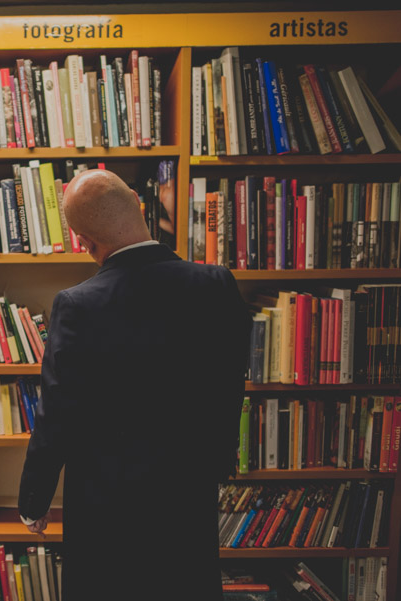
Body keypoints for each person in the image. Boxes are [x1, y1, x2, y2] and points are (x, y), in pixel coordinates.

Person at [18, 170, 250, 600]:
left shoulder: (76, 305)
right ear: (140, 208)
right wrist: (216, 461)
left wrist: (35, 498)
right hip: (187, 492)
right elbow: (230, 382)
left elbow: (56, 414)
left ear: (86, 242)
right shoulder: (216, 284)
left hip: (104, 504)